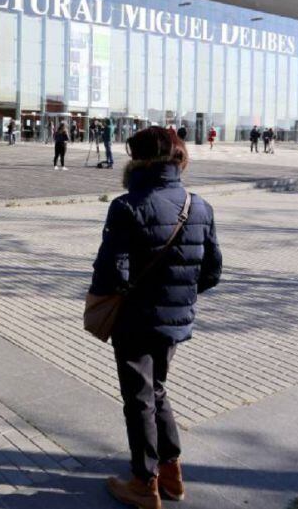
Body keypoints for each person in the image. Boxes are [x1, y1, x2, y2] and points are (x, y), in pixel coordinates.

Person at [89, 127, 222, 507]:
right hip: (175, 319)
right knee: (157, 389)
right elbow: (211, 271)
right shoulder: (199, 205)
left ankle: (144, 482)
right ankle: (172, 472)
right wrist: (178, 296)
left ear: (139, 159)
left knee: (140, 399)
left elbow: (113, 273)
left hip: (134, 318)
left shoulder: (127, 205)